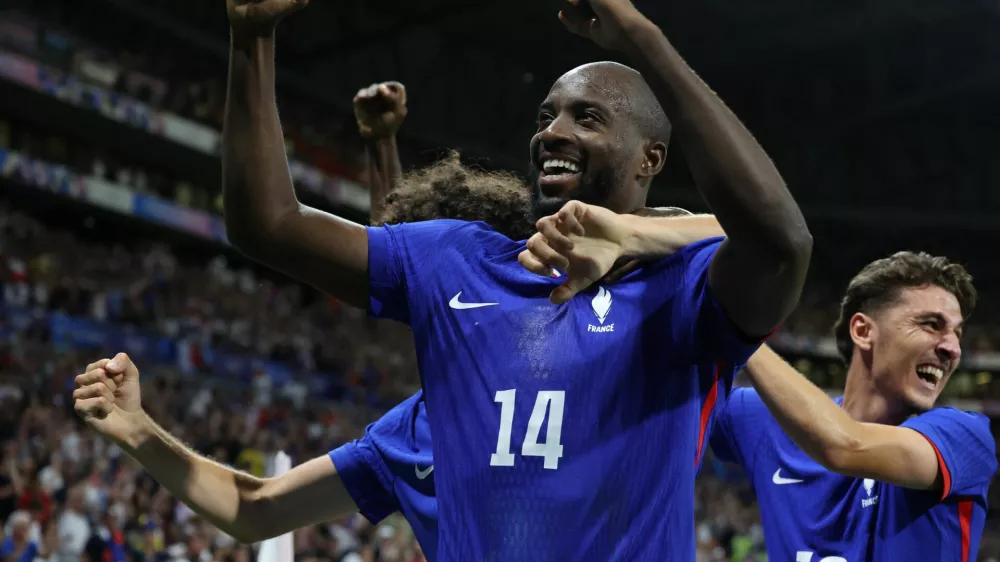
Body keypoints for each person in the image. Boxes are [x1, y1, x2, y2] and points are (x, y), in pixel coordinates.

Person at [84, 1, 812, 560]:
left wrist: (640, 38)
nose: (552, 131)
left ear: (649, 159)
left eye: (587, 118)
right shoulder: (456, 263)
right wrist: (252, 36)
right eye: (546, 115)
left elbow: (780, 239)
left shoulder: (678, 295)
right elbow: (267, 225)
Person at [708, 252, 996, 561]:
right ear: (862, 331)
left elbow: (843, 446)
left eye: (957, 333)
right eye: (931, 324)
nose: (952, 348)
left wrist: (744, 339)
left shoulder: (964, 437)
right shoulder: (766, 419)